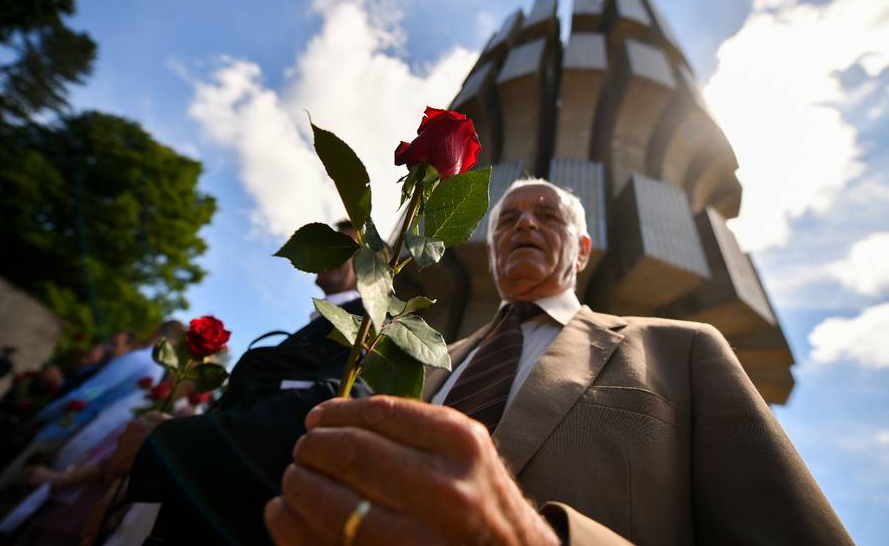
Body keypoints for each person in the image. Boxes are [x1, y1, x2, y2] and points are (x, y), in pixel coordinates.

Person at [264, 178, 853, 545]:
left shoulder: (683, 350)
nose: (525, 223)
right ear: (490, 248)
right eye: (508, 220)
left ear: (584, 247)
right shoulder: (422, 372)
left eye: (549, 216)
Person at [101, 221, 371, 544]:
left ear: (366, 263)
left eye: (344, 246)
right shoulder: (318, 323)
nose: (329, 250)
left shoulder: (365, 324)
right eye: (326, 240)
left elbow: (327, 413)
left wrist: (166, 445)